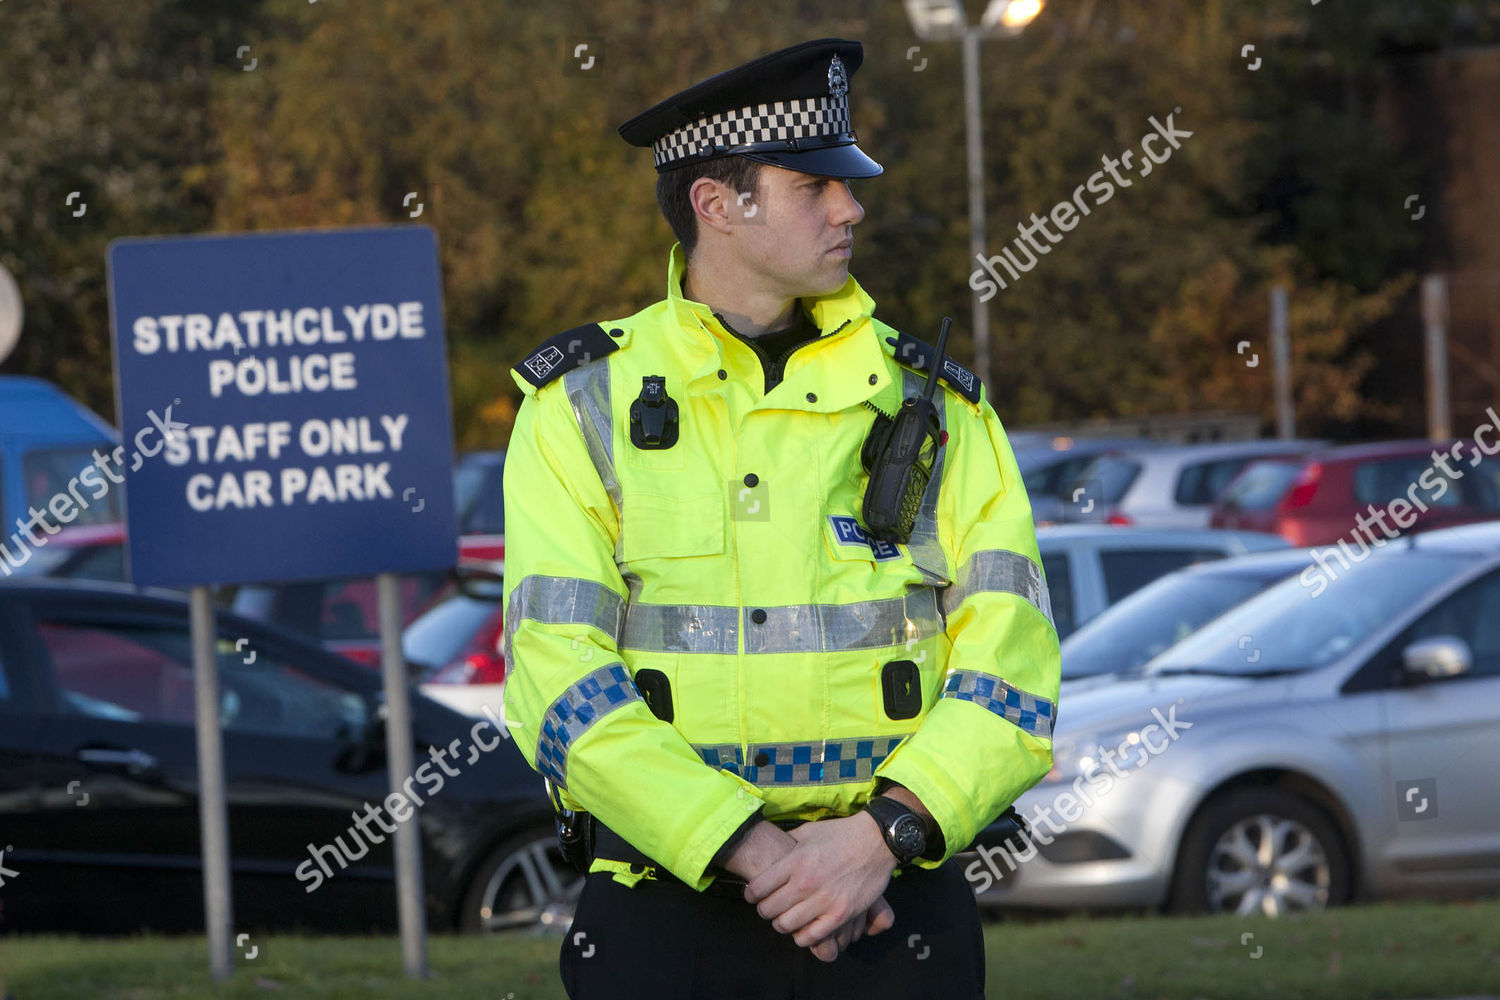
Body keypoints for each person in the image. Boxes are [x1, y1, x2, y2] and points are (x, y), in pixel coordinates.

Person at [502, 37, 1060, 999]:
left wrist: (878, 840)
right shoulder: (577, 405)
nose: (851, 206)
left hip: (895, 909)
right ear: (716, 205)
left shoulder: (938, 405)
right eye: (813, 186)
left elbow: (1013, 667)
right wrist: (760, 855)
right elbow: (555, 682)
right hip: (667, 914)